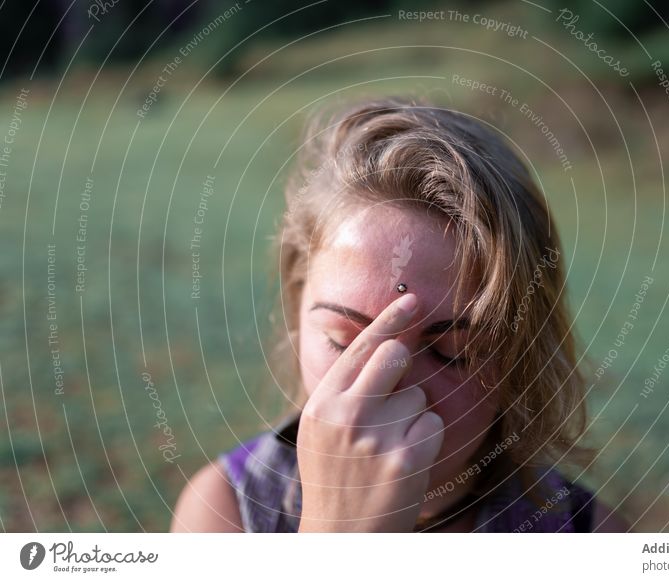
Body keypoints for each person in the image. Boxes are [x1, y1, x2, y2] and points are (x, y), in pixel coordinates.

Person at [170, 96, 629, 532]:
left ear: (525, 355)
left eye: (455, 350)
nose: (390, 390)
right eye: (345, 339)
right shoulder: (226, 513)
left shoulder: (587, 535)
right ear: (297, 308)